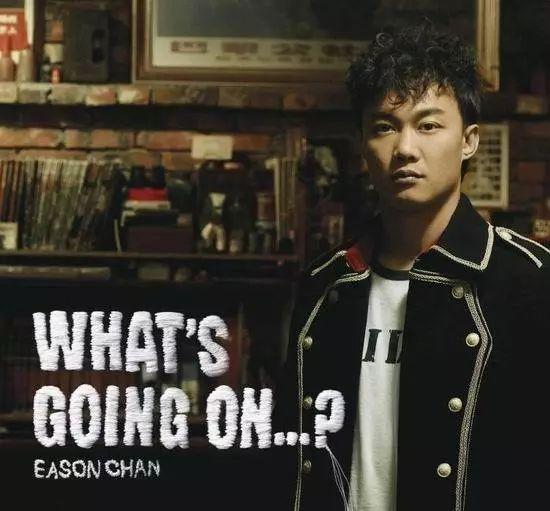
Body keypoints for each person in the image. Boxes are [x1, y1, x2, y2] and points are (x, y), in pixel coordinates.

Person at [272, 21, 550, 511]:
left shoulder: (529, 281)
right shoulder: (326, 285)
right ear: (363, 144)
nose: (404, 148)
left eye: (428, 125)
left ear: (469, 141)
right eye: (384, 126)